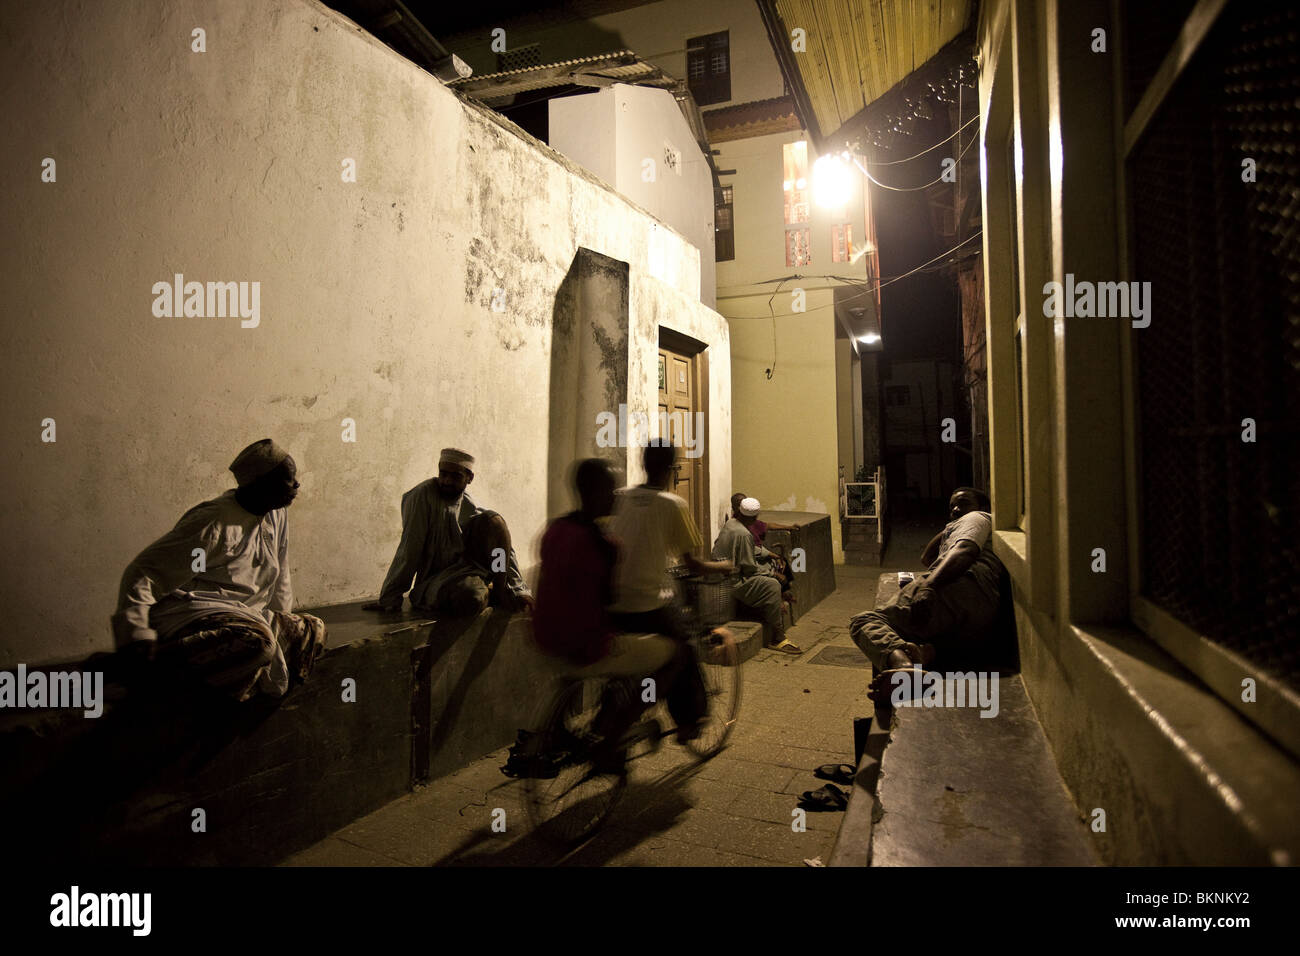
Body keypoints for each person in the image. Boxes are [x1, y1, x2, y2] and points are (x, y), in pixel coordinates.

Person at [111, 439, 326, 702]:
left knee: (312, 628)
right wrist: (135, 635)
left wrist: (281, 617)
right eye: (288, 479)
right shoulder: (212, 522)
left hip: (245, 614)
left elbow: (280, 573)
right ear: (261, 483)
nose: (296, 485)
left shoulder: (274, 513)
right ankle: (142, 667)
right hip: (192, 612)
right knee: (258, 643)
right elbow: (144, 572)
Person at [606, 442, 733, 746]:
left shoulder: (619, 497)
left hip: (613, 602)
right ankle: (689, 721)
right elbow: (692, 564)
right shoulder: (672, 504)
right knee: (684, 649)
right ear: (671, 469)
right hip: (649, 604)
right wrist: (724, 566)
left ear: (643, 463)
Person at [849, 487, 1005, 704]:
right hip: (982, 611)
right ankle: (923, 653)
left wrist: (928, 587)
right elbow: (927, 557)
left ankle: (904, 669)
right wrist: (951, 527)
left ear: (984, 508)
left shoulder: (977, 518)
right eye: (952, 507)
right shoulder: (974, 523)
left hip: (960, 585)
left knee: (865, 621)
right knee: (932, 637)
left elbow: (965, 550)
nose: (957, 509)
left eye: (964, 503)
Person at [363, 448, 532, 617]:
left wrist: (518, 588)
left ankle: (499, 587)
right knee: (471, 597)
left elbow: (502, 550)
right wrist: (390, 597)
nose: (447, 481)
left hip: (471, 571)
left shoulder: (470, 505)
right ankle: (489, 592)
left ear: (469, 478)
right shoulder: (422, 497)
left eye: (455, 476)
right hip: (437, 581)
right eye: (443, 474)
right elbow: (409, 549)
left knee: (496, 522)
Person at [713, 496, 801, 655]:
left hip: (723, 576)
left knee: (771, 565)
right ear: (754, 517)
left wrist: (769, 554)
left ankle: (779, 601)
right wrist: (773, 575)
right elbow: (749, 568)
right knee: (772, 585)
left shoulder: (731, 524)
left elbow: (750, 549)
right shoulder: (744, 533)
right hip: (731, 582)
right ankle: (777, 637)